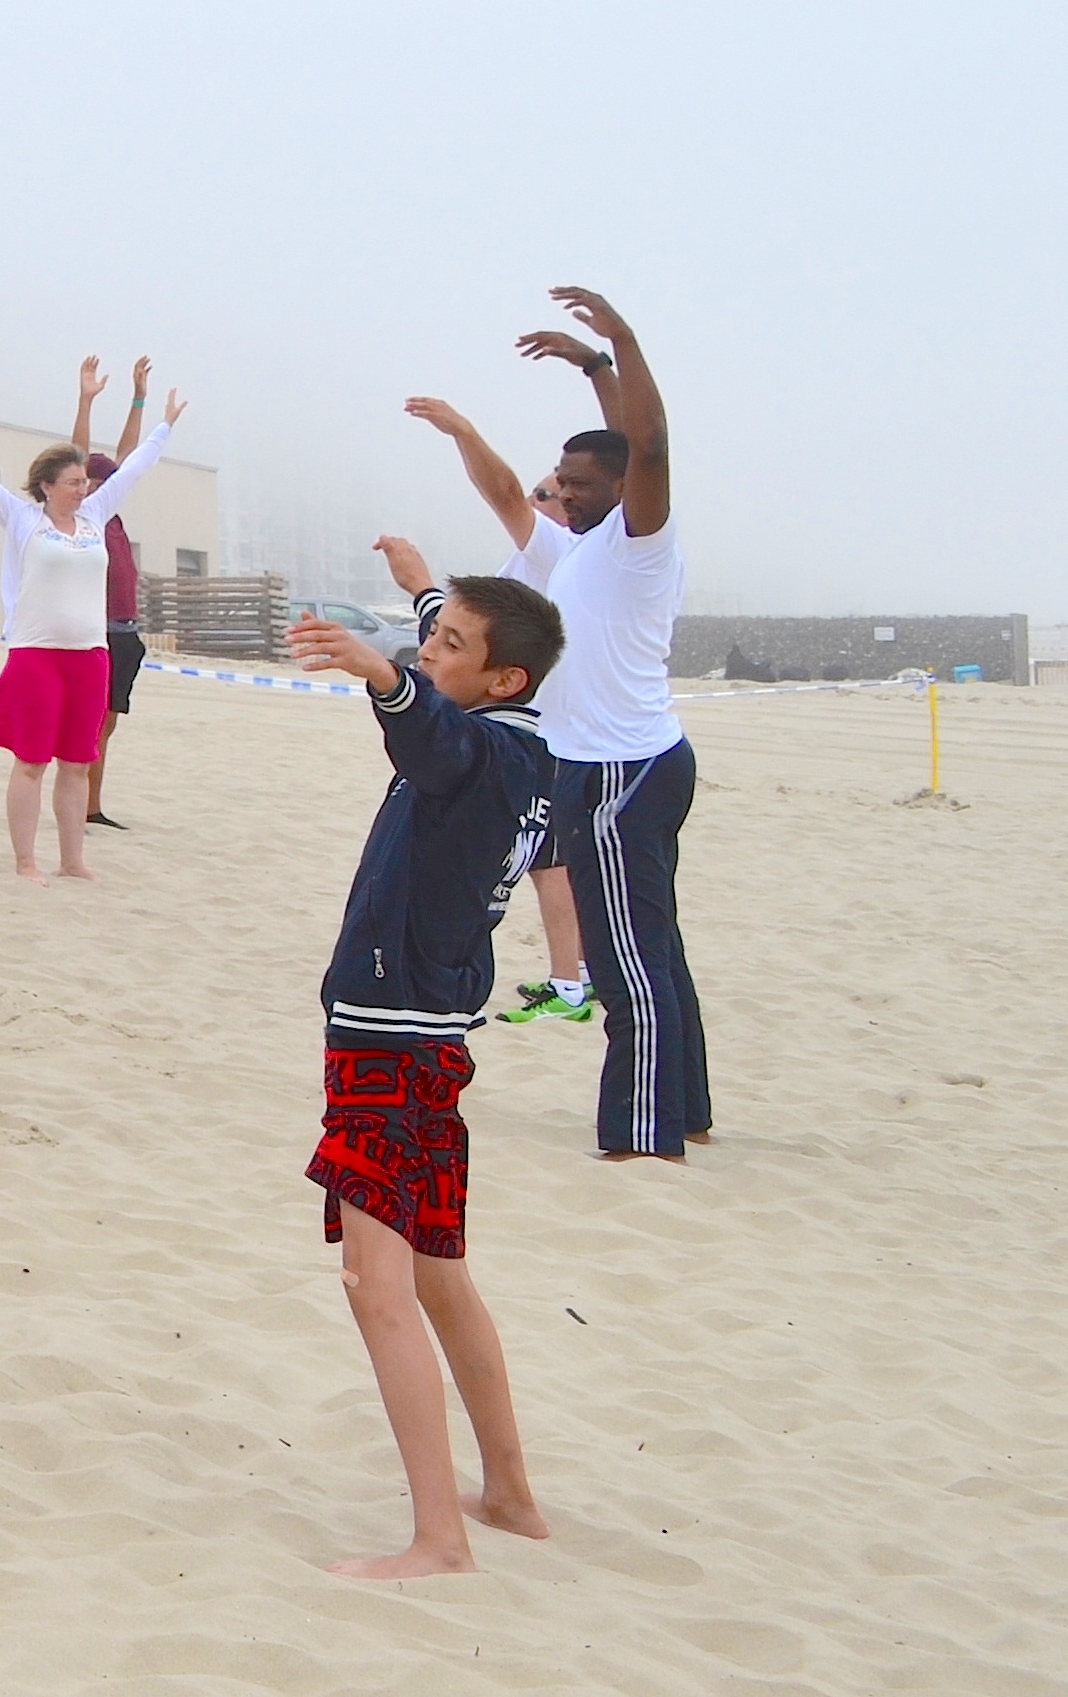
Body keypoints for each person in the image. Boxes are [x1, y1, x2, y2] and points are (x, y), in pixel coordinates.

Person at [282, 579, 565, 1579]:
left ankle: (440, 1539)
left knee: (378, 1284)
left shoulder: (484, 752)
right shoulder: (532, 748)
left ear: (503, 679)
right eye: (428, 640)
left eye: (448, 645)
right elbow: (464, 679)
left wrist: (382, 673)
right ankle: (512, 1495)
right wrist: (426, 589)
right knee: (438, 1271)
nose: (430, 650)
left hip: (390, 1045)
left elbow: (437, 737)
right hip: (430, 1036)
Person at [410, 288, 699, 1160]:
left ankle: (645, 1135)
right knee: (655, 948)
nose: (563, 495)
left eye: (580, 486)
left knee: (631, 963)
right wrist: (586, 371)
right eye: (559, 483)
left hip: (622, 770)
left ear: (623, 492)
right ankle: (684, 1110)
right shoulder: (574, 550)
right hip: (602, 764)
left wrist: (618, 345)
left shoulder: (641, 542)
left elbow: (642, 445)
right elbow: (532, 481)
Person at [0, 375, 183, 881]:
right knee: (32, 761)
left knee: (77, 762)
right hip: (37, 655)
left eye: (86, 482)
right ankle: (26, 860)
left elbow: (137, 468)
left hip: (90, 656)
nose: (85, 489)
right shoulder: (21, 518)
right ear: (47, 486)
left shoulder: (96, 517)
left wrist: (164, 424)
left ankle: (73, 860)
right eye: (75, 482)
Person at [68, 355, 156, 826]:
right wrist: (85, 401)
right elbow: (78, 453)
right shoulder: (82, 516)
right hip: (95, 630)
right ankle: (82, 805)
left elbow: (128, 452)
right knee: (91, 721)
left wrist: (138, 397)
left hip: (124, 631)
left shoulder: (113, 515)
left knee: (108, 722)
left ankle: (92, 808)